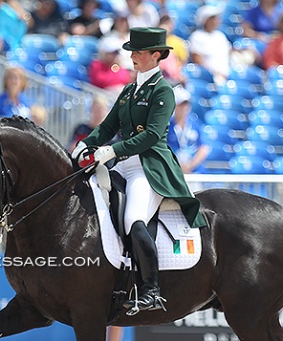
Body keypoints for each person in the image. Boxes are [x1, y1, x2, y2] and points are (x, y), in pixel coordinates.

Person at [71, 27, 206, 313]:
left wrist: (112, 150)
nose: (132, 56)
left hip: (150, 167)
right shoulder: (130, 90)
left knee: (134, 218)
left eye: (138, 52)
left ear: (156, 55)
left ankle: (151, 289)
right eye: (131, 51)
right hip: (124, 164)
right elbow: (108, 127)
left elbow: (152, 136)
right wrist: (85, 145)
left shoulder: (164, 91)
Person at [166, 86, 210, 174]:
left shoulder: (195, 123)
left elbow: (203, 148)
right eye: (181, 104)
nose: (185, 107)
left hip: (195, 171)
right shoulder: (167, 126)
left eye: (187, 104)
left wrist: (190, 165)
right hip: (173, 171)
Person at [187, 5, 232, 84]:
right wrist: (213, 74)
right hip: (208, 79)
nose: (217, 20)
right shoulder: (197, 36)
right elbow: (197, 58)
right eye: (213, 18)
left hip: (227, 76)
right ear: (205, 20)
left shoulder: (220, 36)